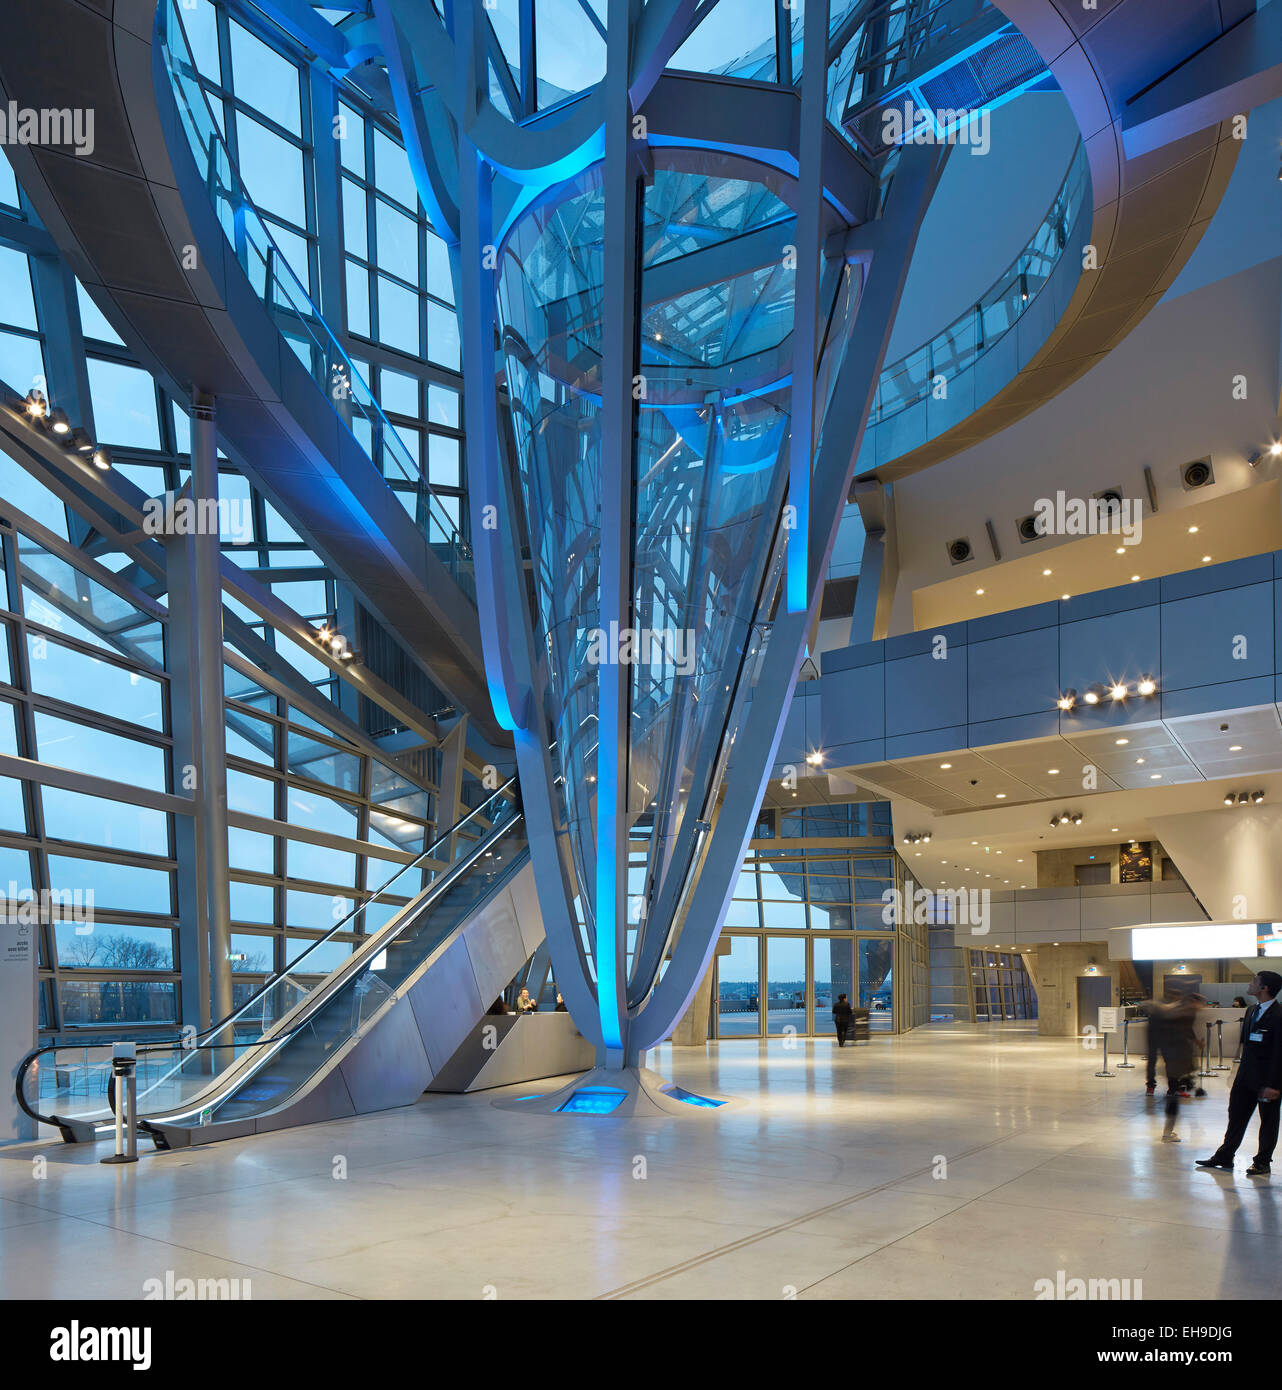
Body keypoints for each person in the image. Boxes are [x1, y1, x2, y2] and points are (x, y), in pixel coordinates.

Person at [1197, 970, 1282, 1176]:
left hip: (1266, 1082)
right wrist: (1237, 1073)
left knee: (1268, 1122)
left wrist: (1274, 1085)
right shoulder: (1251, 1010)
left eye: (1255, 981)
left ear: (1265, 988)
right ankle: (1225, 1155)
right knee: (1236, 1116)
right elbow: (1247, 1048)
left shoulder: (1279, 1016)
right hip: (1245, 1078)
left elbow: (1280, 1053)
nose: (1250, 983)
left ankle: (1263, 1161)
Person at [1155, 991, 1200, 1142]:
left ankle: (1168, 1132)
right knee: (1173, 1095)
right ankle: (1167, 1134)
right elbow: (1186, 1033)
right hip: (1176, 1061)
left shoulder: (1175, 1015)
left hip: (1173, 1060)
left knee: (1174, 1093)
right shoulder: (1185, 1014)